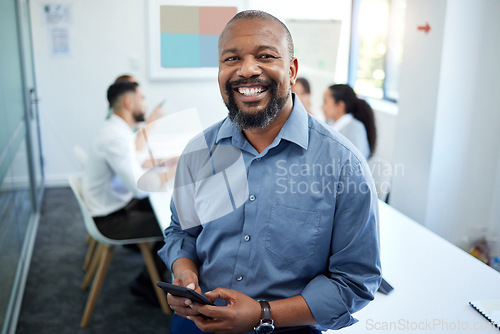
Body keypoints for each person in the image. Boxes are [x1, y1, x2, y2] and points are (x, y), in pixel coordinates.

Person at [159, 10, 381, 334]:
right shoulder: (199, 150)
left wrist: (262, 313)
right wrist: (185, 275)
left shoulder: (344, 165)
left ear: (291, 71)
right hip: (197, 321)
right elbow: (181, 232)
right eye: (231, 58)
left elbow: (354, 284)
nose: (247, 70)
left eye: (265, 56)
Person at [82, 81, 170, 306]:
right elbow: (140, 189)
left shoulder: (116, 129)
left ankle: (153, 272)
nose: (145, 104)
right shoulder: (115, 137)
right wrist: (172, 172)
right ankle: (145, 284)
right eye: (142, 99)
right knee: (173, 225)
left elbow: (133, 165)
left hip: (115, 204)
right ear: (129, 102)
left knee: (170, 209)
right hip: (111, 220)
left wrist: (161, 163)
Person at [322, 84, 377, 159]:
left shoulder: (354, 129)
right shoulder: (330, 124)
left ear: (340, 106)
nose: (322, 106)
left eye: (325, 102)